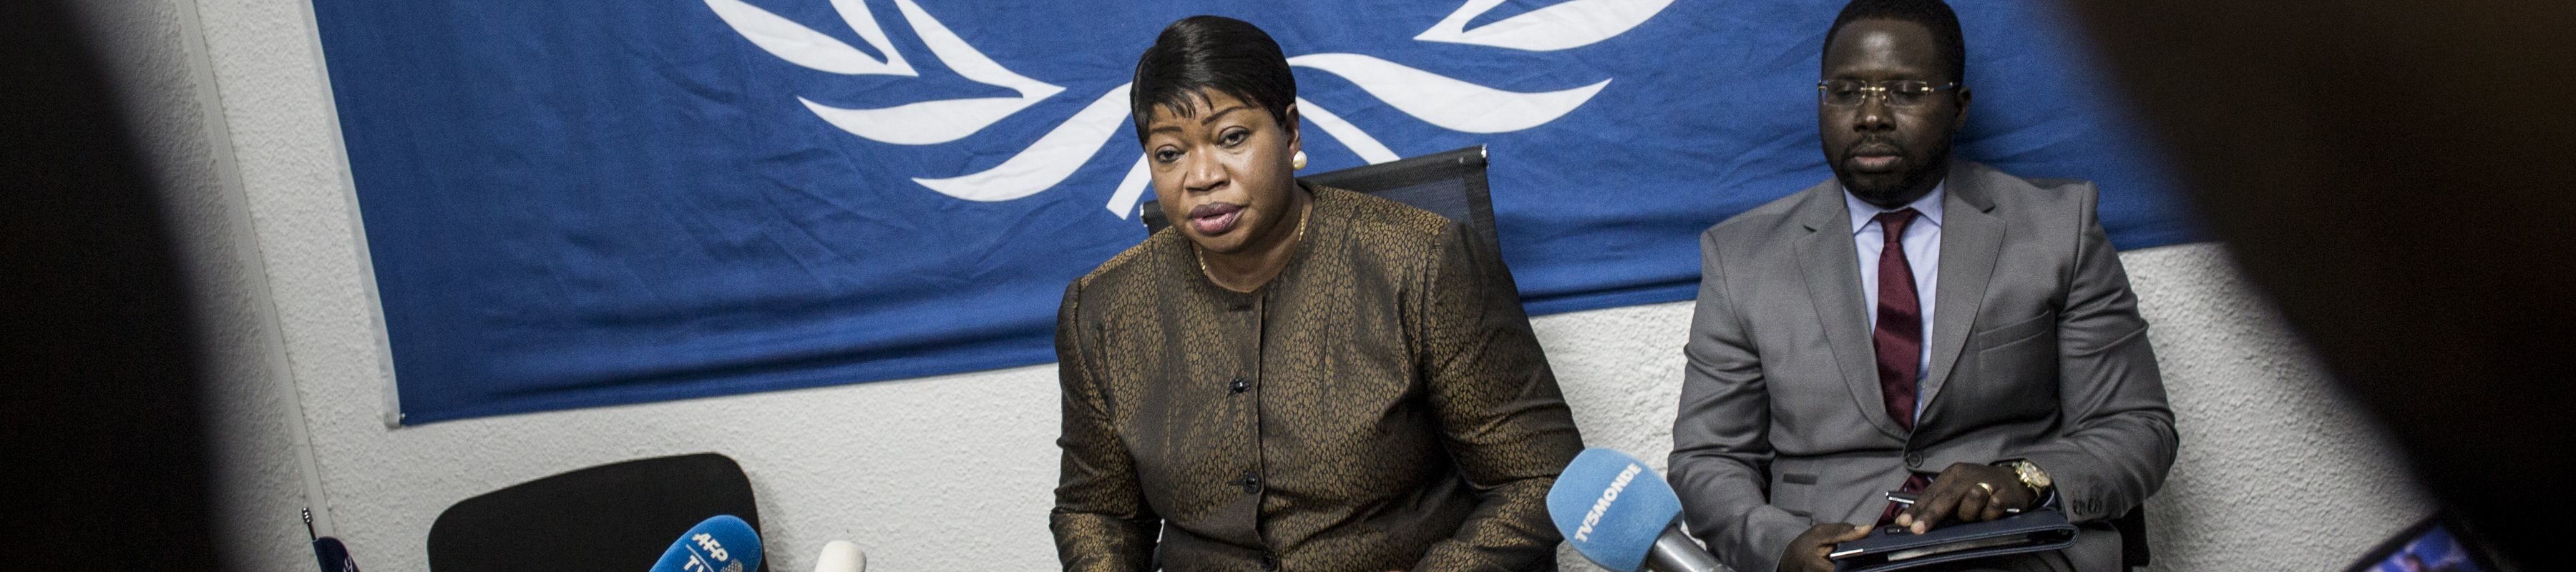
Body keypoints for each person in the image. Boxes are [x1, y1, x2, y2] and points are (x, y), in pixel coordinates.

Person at [1048, 15, 1584, 571]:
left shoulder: (1422, 263)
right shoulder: (1104, 311)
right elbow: (1096, 512)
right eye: (1169, 153)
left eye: (1231, 138)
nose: (1202, 175)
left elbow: (1537, 475)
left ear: (1290, 131)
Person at [1666, 1, 2177, 571]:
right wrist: (1777, 544)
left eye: (1906, 91)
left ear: (1958, 108)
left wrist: (2023, 479)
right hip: (1835, 556)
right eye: (1846, 92)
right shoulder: (1742, 257)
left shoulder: (2059, 228)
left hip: (2014, 551)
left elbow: (2136, 428)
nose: (1871, 116)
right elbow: (1709, 457)